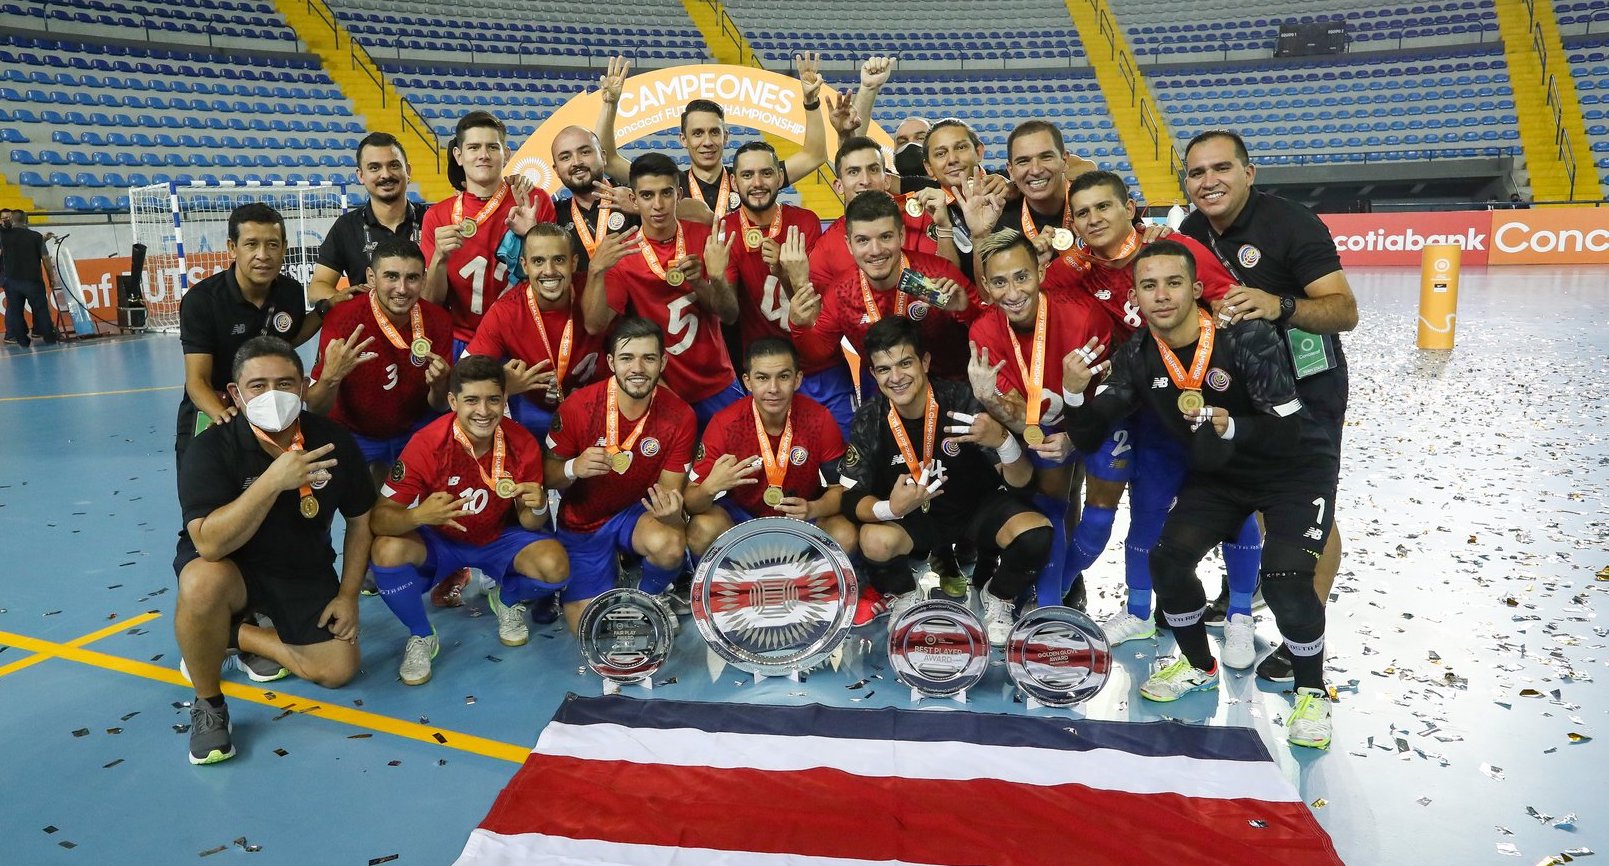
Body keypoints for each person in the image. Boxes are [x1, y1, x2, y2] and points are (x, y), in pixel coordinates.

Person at [1062, 240, 1336, 749]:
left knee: (1285, 579)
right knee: (1167, 562)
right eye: (1149, 286)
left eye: (1173, 283)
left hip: (1294, 468)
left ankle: (1312, 691)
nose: (1162, 295)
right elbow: (1091, 431)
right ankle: (1198, 665)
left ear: (1196, 288)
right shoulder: (1138, 355)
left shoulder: (1247, 336)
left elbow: (1290, 429)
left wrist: (1233, 427)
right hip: (1221, 475)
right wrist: (1074, 392)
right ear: (1136, 297)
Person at [1052, 170, 1261, 665]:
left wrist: (1231, 368)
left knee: (1235, 507)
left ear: (1130, 207)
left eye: (1104, 206)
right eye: (1082, 212)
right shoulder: (1074, 269)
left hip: (1209, 399)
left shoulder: (1173, 248)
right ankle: (1139, 611)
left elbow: (1231, 304)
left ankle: (1240, 616)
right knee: (1145, 509)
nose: (1094, 219)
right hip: (1142, 407)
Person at [1179, 129, 1357, 682]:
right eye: (1197, 172)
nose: (1209, 181)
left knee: (1304, 505)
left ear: (1249, 173)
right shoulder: (1191, 232)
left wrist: (1278, 304)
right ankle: (1251, 589)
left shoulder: (1291, 223)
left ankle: (1305, 630)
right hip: (1240, 389)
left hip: (1309, 387)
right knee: (1255, 496)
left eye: (1221, 168)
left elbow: (1344, 311)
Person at [174, 337, 373, 764]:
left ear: (303, 387)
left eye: (284, 383)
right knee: (201, 582)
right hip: (230, 568)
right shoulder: (210, 447)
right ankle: (209, 704)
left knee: (338, 669)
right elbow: (208, 543)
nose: (273, 394)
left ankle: (232, 635)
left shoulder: (333, 440)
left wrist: (348, 595)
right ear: (235, 394)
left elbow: (361, 520)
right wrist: (272, 481)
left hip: (300, 567)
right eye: (258, 385)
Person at [839, 318, 1051, 644]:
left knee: (1036, 533)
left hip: (975, 509)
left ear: (925, 362)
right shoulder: (870, 417)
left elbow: (1023, 486)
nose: (895, 377)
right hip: (913, 519)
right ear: (873, 374)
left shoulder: (960, 401)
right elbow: (851, 497)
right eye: (883, 369)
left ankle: (998, 597)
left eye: (905, 363)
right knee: (873, 538)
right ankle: (904, 595)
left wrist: (1003, 441)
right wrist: (890, 508)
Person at [368, 355, 569, 684]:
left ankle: (506, 598)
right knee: (386, 551)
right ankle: (421, 635)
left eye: (493, 400)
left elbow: (530, 523)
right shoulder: (426, 444)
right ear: (453, 401)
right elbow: (380, 519)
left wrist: (537, 506)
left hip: (498, 538)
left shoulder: (522, 444)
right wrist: (419, 514)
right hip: (440, 541)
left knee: (556, 566)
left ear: (505, 399)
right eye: (472, 400)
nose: (483, 411)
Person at [965, 229, 1111, 612]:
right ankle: (1047, 599)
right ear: (986, 285)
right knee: (1052, 502)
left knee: (1092, 513)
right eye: (999, 282)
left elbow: (1113, 399)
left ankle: (1063, 583)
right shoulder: (983, 332)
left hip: (1092, 421)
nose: (1013, 292)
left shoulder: (1084, 316)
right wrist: (988, 398)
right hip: (1040, 430)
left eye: (1021, 277)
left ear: (1041, 272)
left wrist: (1075, 439)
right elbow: (1019, 418)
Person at [544, 317, 697, 631]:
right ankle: (609, 568)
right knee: (586, 627)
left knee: (670, 544)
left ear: (663, 362)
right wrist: (574, 467)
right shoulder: (578, 407)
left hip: (636, 514)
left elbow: (667, 494)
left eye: (649, 358)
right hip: (583, 522)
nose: (637, 368)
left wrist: (672, 516)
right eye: (627, 358)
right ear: (612, 362)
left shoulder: (680, 415)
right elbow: (546, 475)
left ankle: (649, 596)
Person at [583, 153, 742, 428]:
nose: (658, 205)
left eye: (666, 193)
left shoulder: (703, 236)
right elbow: (594, 325)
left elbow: (729, 315)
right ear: (634, 200)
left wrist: (700, 283)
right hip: (663, 392)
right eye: (647, 195)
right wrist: (595, 270)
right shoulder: (624, 255)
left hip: (717, 382)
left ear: (679, 195)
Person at [595, 54, 830, 224]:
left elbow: (814, 155)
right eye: (697, 133)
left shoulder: (749, 178)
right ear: (683, 139)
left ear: (725, 137)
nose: (707, 142)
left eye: (714, 132)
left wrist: (811, 102)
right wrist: (609, 104)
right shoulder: (667, 184)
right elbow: (608, 160)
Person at [176, 203, 326, 468]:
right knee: (208, 491)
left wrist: (327, 309)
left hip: (271, 412)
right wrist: (230, 421)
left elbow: (287, 340)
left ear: (284, 247)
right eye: (251, 244)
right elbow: (197, 381)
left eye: (272, 244)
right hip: (215, 411)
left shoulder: (290, 292)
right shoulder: (202, 301)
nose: (263, 255)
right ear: (232, 248)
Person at [684, 337, 856, 558]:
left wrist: (814, 508)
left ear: (797, 379)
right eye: (762, 378)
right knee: (701, 530)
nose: (773, 388)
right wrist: (710, 487)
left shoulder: (819, 418)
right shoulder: (724, 424)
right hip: (741, 517)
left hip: (802, 514)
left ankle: (809, 578)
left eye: (783, 377)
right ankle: (734, 579)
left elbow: (841, 490)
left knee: (845, 534)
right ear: (747, 382)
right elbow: (691, 502)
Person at [421, 111, 556, 356]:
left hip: (523, 339)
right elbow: (431, 303)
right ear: (458, 156)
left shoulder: (533, 200)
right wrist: (439, 258)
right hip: (463, 340)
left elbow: (554, 281)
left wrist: (532, 234)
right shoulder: (437, 216)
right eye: (474, 147)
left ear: (506, 154)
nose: (483, 155)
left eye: (492, 147)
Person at [467, 223, 606, 444]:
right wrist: (502, 386)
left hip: (597, 408)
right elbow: (464, 377)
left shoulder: (597, 292)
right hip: (533, 410)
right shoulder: (506, 311)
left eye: (558, 260)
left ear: (573, 263)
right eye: (538, 261)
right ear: (525, 265)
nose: (549, 271)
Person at [808, 136, 951, 293]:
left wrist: (944, 228)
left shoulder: (920, 218)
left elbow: (946, 284)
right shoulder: (825, 248)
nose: (865, 180)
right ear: (839, 186)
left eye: (873, 170)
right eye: (853, 172)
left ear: (887, 180)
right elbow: (825, 306)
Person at [718, 141, 823, 353]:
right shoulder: (726, 230)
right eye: (747, 175)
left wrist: (785, 272)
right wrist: (715, 277)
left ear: (780, 177)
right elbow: (728, 315)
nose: (757, 183)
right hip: (760, 360)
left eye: (766, 173)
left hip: (811, 353)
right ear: (734, 182)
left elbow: (816, 308)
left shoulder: (806, 222)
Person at [307, 132, 428, 305]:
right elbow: (317, 288)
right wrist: (356, 304)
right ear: (361, 175)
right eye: (374, 168)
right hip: (368, 320)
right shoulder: (346, 226)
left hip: (425, 320)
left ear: (407, 171)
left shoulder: (432, 218)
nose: (385, 175)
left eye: (394, 165)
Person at [549, 125, 638, 274]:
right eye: (565, 157)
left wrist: (642, 208)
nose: (576, 162)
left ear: (603, 157)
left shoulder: (634, 198)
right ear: (556, 170)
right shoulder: (554, 216)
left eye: (585, 152)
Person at [0, 207, 61, 347]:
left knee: (15, 311)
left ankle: (23, 340)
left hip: (12, 281)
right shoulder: (36, 236)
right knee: (41, 310)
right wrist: (51, 277)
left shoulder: (5, 236)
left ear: (12, 220)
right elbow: (45, 258)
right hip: (32, 280)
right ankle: (49, 338)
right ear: (27, 220)